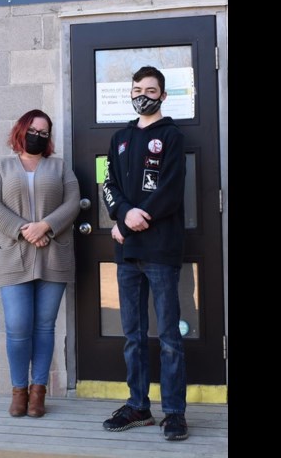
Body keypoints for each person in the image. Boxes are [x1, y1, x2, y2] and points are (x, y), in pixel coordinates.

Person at [101, 66, 189, 441]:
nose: (143, 95)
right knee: (133, 334)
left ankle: (174, 413)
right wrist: (121, 215)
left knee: (169, 336)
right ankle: (138, 405)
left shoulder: (172, 136)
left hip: (161, 251)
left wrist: (138, 215)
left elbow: (170, 191)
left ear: (163, 96)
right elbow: (109, 185)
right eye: (137, 89)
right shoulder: (119, 138)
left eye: (151, 90)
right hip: (126, 253)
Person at [0, 109, 81, 418]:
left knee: (43, 327)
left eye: (44, 132)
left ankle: (38, 391)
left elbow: (73, 202)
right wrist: (27, 230)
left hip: (54, 257)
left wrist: (47, 226)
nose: (38, 135)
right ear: (21, 130)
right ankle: (19, 391)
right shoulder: (2, 167)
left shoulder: (60, 167)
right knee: (17, 327)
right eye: (34, 130)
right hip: (15, 256)